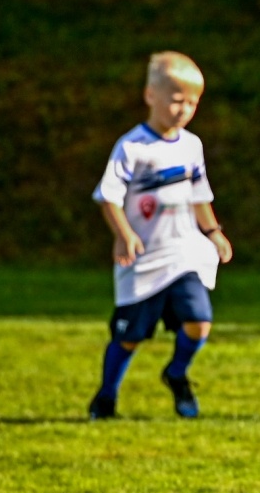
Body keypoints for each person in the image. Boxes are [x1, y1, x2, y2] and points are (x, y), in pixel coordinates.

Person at [87, 51, 233, 421]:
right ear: (151, 95)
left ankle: (177, 372)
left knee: (200, 321)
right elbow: (109, 196)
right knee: (130, 336)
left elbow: (200, 194)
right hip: (144, 259)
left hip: (183, 253)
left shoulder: (191, 146)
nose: (184, 109)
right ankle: (105, 398)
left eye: (193, 102)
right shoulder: (132, 147)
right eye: (176, 99)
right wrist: (123, 235)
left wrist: (213, 231)